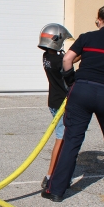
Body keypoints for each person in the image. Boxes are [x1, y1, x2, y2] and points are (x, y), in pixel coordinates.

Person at [42, 5, 104, 202]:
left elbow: (67, 59)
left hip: (82, 92)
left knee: (72, 140)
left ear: (99, 20)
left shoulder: (87, 37)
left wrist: (71, 80)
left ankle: (56, 191)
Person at [38, 24, 73, 190]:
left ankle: (53, 174)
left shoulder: (46, 56)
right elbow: (67, 63)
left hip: (53, 101)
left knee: (62, 137)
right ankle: (50, 176)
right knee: (61, 139)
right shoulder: (59, 60)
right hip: (61, 103)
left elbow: (66, 59)